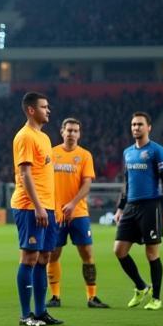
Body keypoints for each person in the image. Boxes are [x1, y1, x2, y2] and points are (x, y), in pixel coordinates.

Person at [11, 92, 63, 326]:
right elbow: (25, 174)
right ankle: (25, 315)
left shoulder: (44, 137)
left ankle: (41, 311)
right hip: (30, 206)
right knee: (30, 257)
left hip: (47, 207)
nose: (48, 110)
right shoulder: (25, 136)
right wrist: (39, 207)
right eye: (44, 106)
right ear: (31, 110)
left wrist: (52, 206)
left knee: (45, 257)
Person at [114, 111, 163, 311]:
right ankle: (141, 286)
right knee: (119, 250)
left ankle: (156, 297)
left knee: (151, 253)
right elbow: (126, 181)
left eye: (140, 124)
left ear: (149, 127)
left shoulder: (157, 151)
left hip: (151, 205)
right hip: (131, 206)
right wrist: (121, 207)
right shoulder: (127, 152)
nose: (136, 128)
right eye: (133, 125)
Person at [47, 118, 109, 308]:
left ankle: (92, 296)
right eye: (69, 130)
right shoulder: (52, 153)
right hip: (56, 213)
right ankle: (55, 297)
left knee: (87, 254)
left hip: (78, 213)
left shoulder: (84, 156)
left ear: (79, 134)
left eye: (75, 131)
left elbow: (87, 184)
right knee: (53, 255)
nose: (72, 134)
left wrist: (73, 204)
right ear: (62, 132)